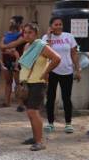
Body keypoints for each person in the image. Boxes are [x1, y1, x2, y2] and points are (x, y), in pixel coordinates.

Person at [19, 23, 61, 151]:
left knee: (33, 111)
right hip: (27, 83)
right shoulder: (27, 46)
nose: (27, 35)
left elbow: (57, 58)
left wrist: (45, 72)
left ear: (36, 34)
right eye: (25, 32)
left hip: (37, 82)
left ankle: (40, 141)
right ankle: (35, 137)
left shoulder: (42, 46)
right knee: (30, 112)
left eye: (30, 32)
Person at [42, 16, 81, 134]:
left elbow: (74, 53)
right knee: (50, 98)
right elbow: (45, 52)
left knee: (66, 98)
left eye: (60, 24)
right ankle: (50, 123)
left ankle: (68, 123)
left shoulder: (68, 36)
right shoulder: (45, 37)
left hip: (67, 71)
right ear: (51, 26)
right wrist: (49, 36)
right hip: (52, 71)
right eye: (56, 24)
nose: (58, 26)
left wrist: (77, 69)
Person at [0, 16, 24, 110]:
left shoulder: (22, 34)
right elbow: (1, 45)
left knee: (18, 83)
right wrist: (7, 49)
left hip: (17, 60)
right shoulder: (7, 34)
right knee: (8, 82)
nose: (11, 24)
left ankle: (21, 104)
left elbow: (15, 44)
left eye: (13, 22)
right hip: (7, 59)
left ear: (19, 23)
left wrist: (5, 48)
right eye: (11, 22)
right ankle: (6, 102)